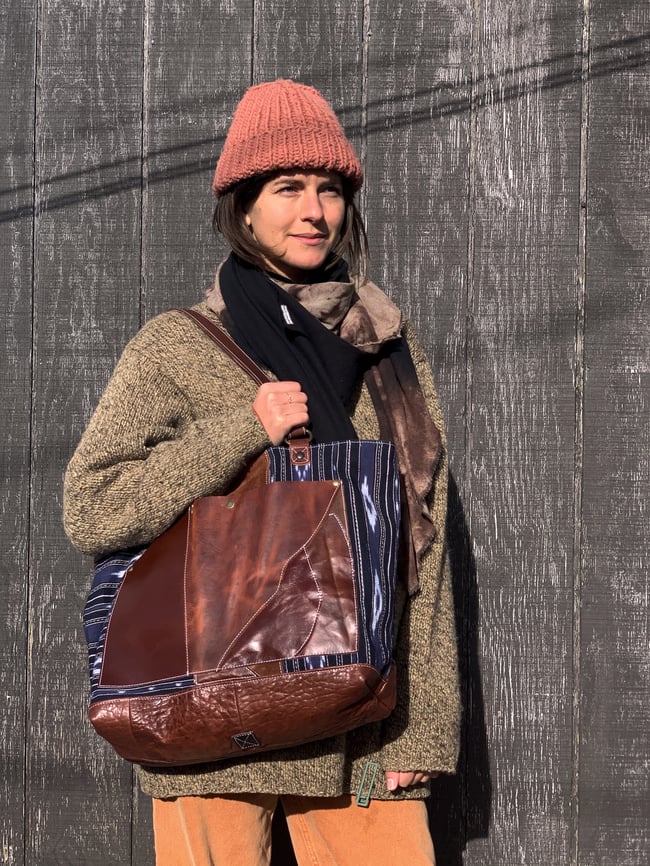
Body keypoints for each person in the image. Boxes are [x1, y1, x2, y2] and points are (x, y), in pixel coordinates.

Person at [64, 79, 460, 866]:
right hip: (210, 712)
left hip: (362, 714)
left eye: (330, 189)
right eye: (288, 188)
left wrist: (427, 726)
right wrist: (243, 429)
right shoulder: (176, 346)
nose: (315, 210)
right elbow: (94, 508)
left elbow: (427, 538)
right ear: (243, 207)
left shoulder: (384, 347)